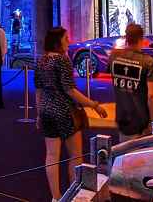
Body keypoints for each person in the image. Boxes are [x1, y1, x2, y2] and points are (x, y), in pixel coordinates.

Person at [34, 27, 107, 202]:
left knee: (52, 156)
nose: (69, 41)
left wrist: (39, 114)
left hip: (46, 111)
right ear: (58, 41)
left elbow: (38, 90)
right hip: (65, 112)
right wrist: (93, 105)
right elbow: (70, 91)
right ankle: (74, 194)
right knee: (75, 155)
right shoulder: (63, 60)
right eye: (66, 38)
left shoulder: (41, 61)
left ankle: (55, 197)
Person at [108, 23, 153, 142]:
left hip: (122, 117)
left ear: (126, 38)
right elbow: (151, 96)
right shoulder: (148, 62)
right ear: (141, 39)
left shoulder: (114, 57)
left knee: (124, 150)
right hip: (141, 121)